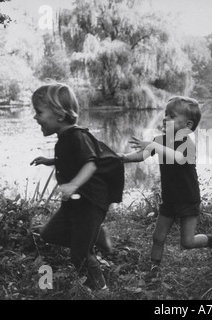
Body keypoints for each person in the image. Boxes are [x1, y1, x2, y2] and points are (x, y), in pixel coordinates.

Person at [30, 83, 121, 291]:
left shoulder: (78, 135)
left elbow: (91, 163)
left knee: (80, 253)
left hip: (90, 201)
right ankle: (95, 234)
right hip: (75, 202)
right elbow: (72, 160)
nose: (35, 117)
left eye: (39, 112)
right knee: (49, 235)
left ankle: (101, 290)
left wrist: (73, 184)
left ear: (60, 115)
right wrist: (51, 161)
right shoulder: (65, 137)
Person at [120, 96, 212, 278]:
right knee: (158, 237)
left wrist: (153, 145)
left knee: (187, 242)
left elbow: (178, 158)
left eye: (172, 115)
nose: (165, 118)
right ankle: (154, 271)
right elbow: (140, 155)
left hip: (188, 198)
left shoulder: (187, 145)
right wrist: (122, 157)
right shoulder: (159, 140)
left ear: (188, 125)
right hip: (169, 198)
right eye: (165, 114)